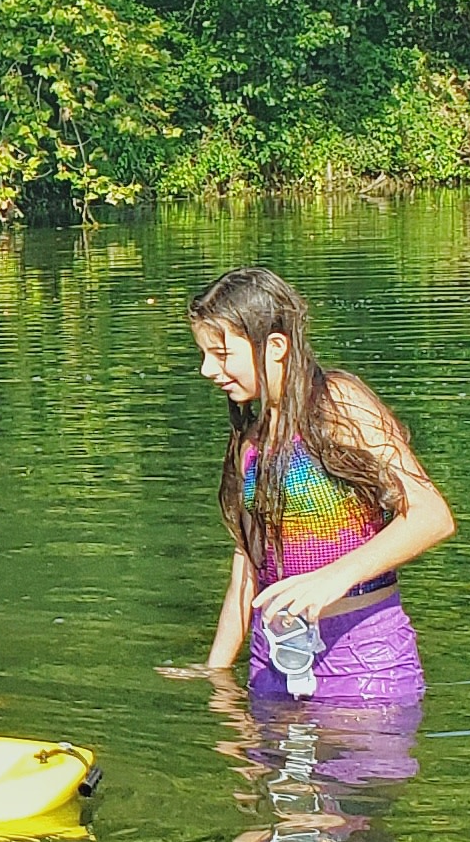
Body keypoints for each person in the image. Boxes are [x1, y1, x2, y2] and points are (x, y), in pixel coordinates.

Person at [187, 266, 454, 704]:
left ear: (275, 346)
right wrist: (216, 674)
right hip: (270, 663)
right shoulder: (252, 442)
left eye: (221, 354)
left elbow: (431, 516)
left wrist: (333, 578)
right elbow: (247, 564)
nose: (206, 370)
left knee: (354, 773)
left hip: (365, 659)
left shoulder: (339, 404)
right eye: (203, 354)